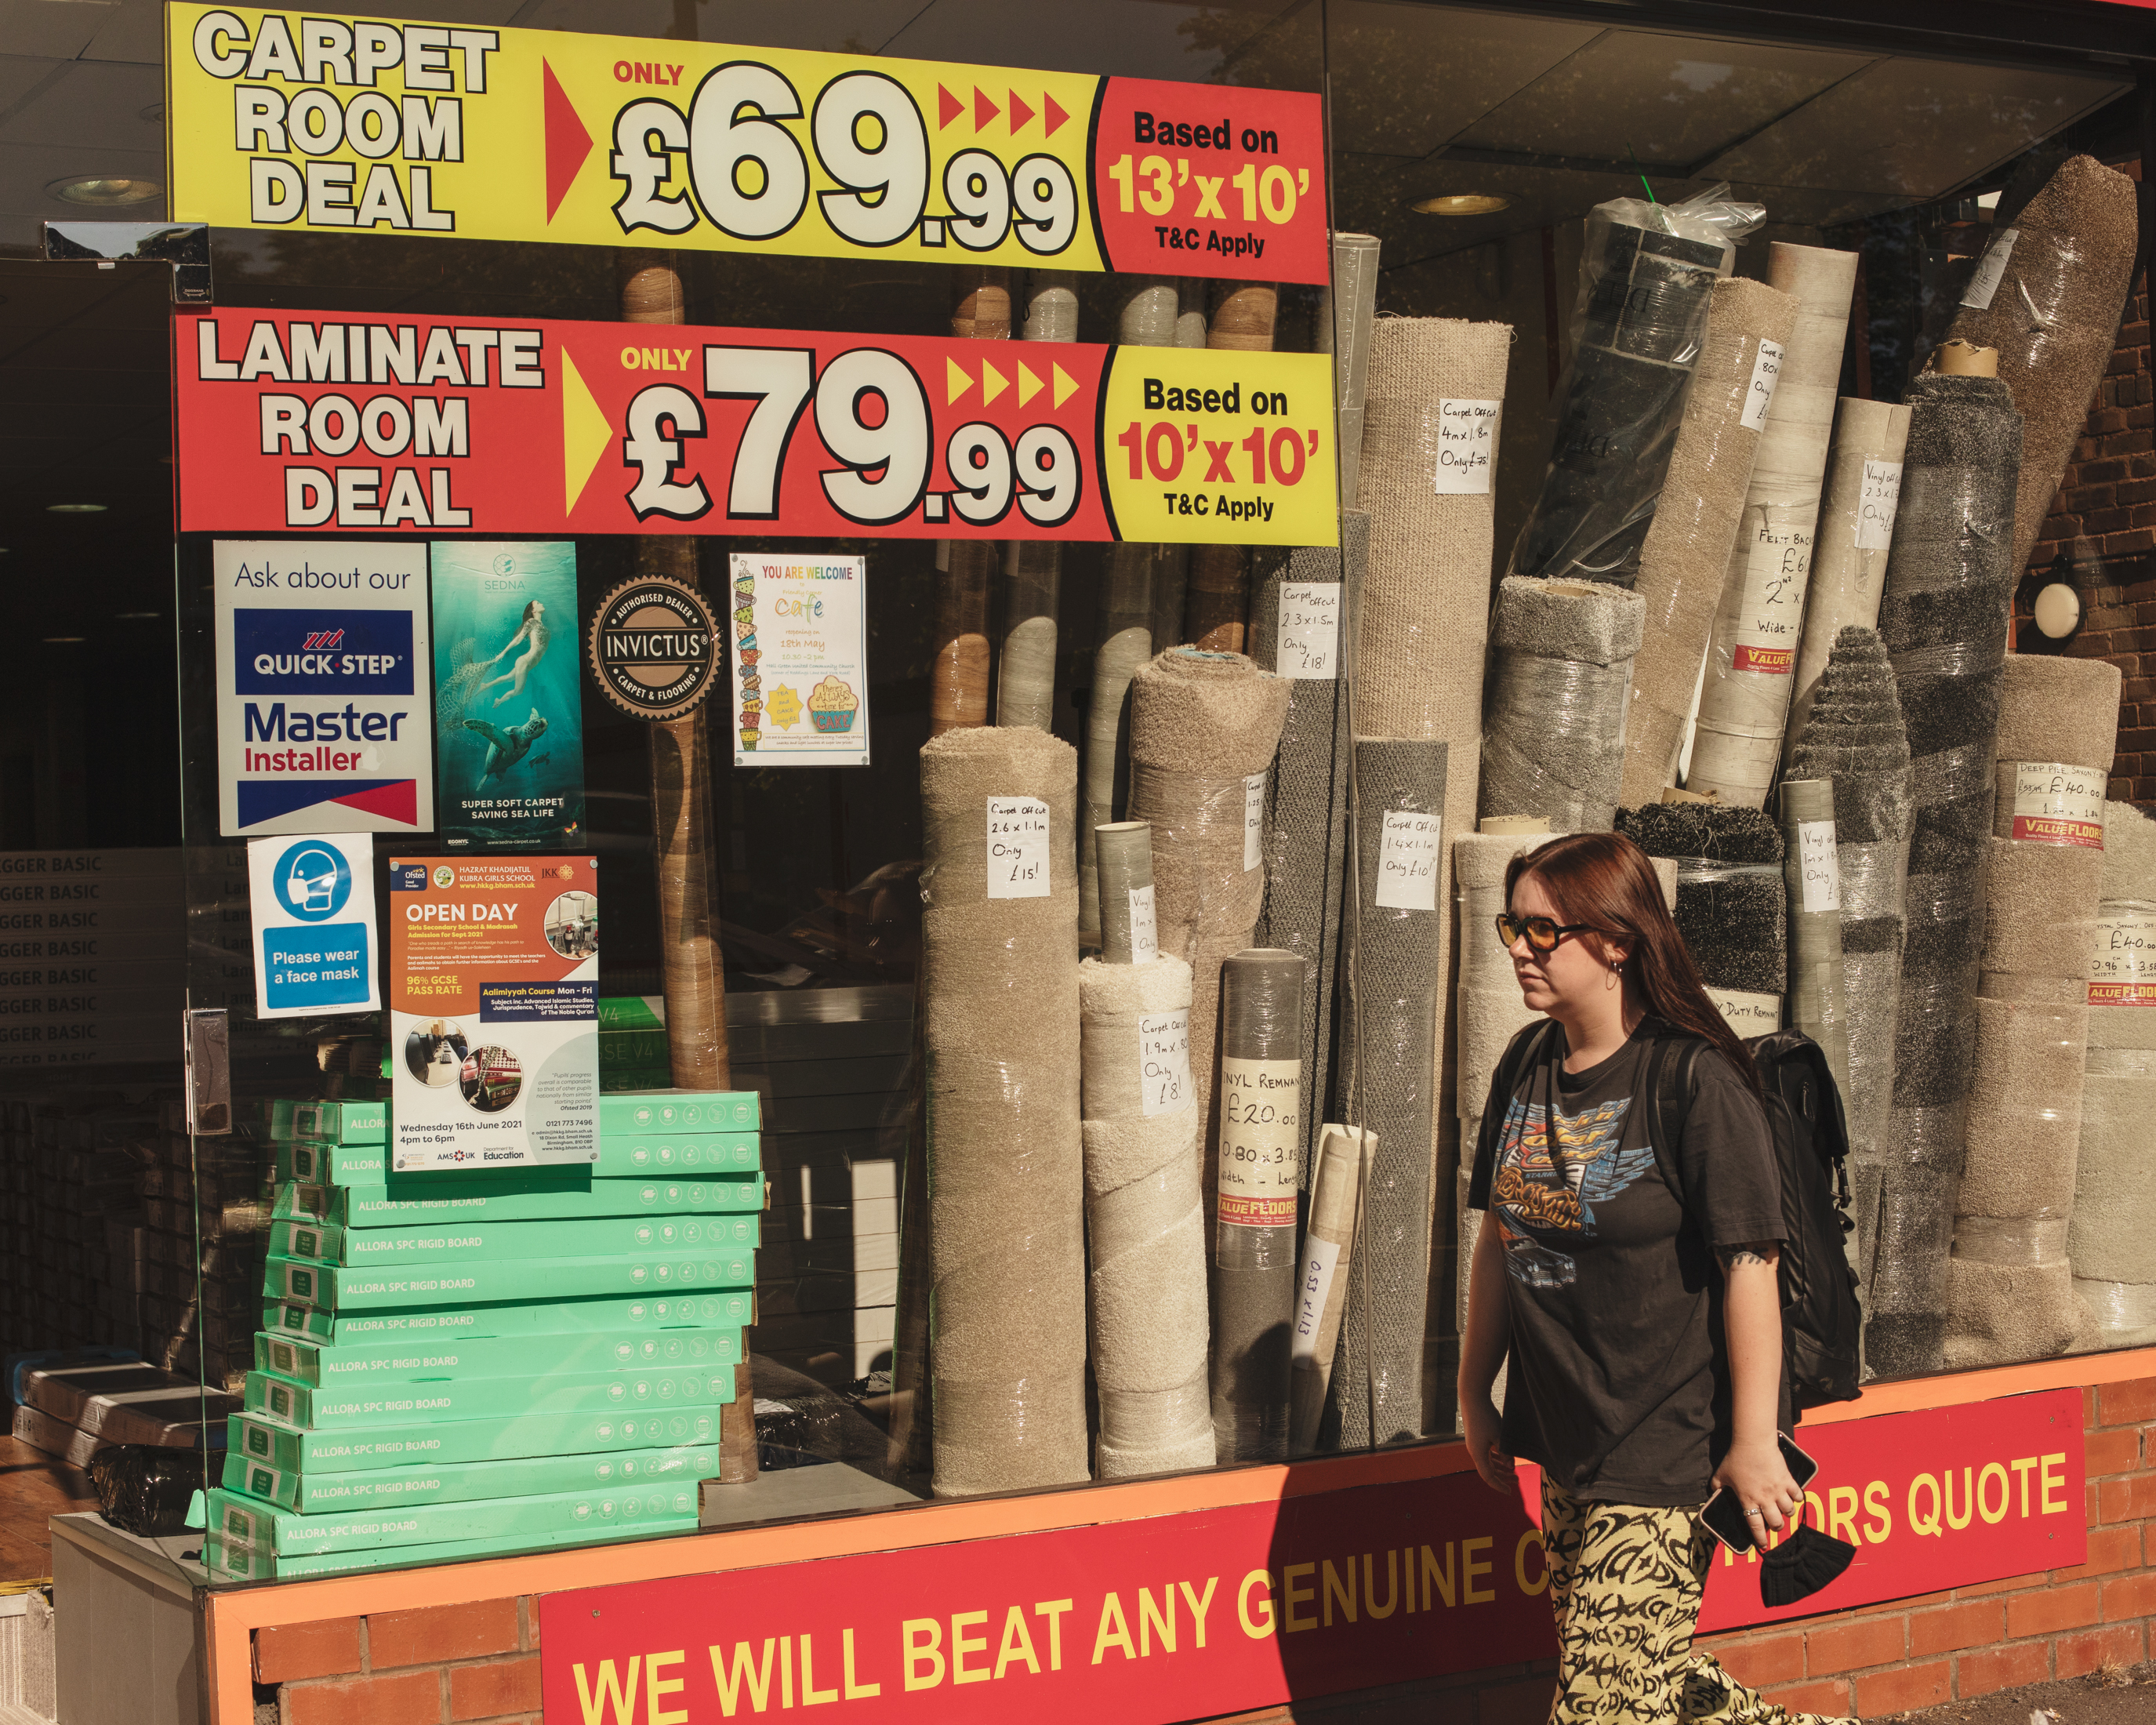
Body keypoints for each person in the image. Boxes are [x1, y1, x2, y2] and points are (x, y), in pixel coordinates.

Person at [1458, 831, 1853, 1725]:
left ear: (1617, 942)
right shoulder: (1524, 1065)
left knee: (1601, 1708)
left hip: (1666, 1448)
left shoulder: (1693, 1078)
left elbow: (1749, 1265)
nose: (1519, 948)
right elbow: (1497, 1239)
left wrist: (1752, 1441)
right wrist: (1474, 1389)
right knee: (1643, 1679)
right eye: (1509, 926)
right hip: (1565, 1438)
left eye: (1541, 930)